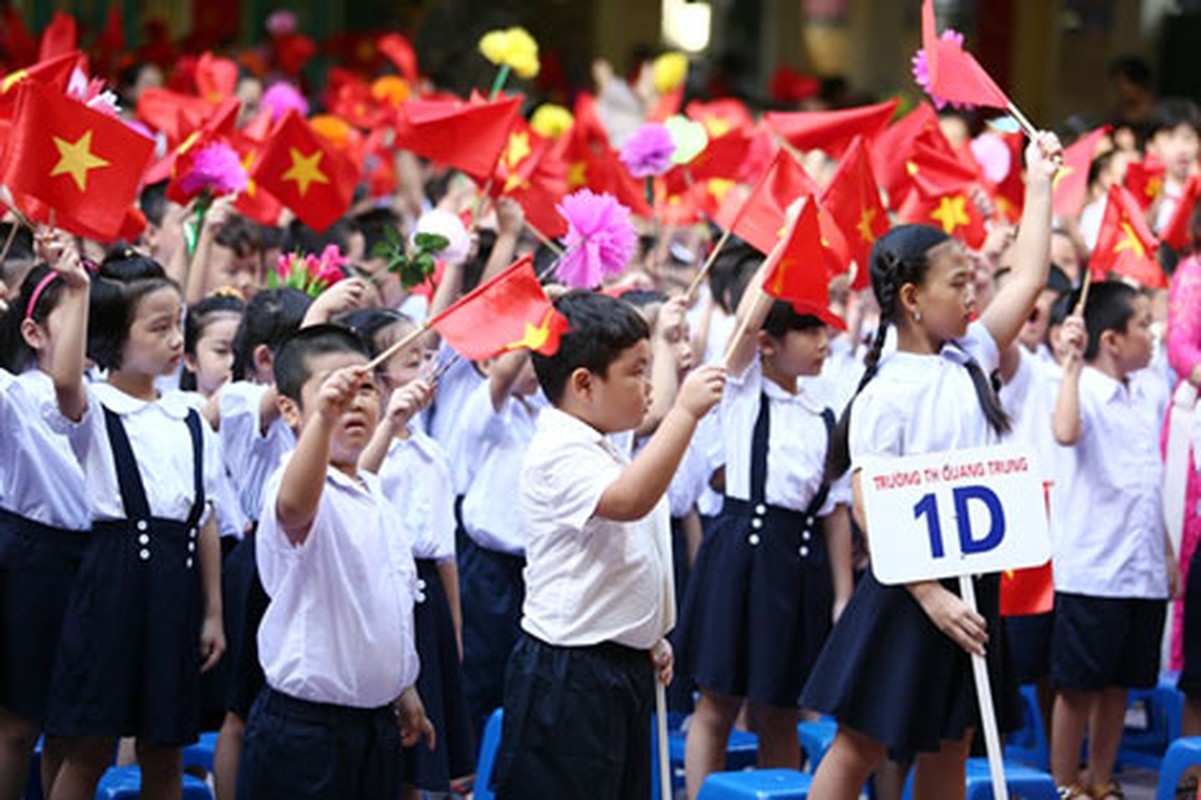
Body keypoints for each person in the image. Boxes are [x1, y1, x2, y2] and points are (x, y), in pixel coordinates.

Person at [800, 131, 1061, 800]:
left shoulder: (968, 352)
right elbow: (868, 507)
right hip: (910, 585)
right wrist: (929, 596)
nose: (972, 292)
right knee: (862, 742)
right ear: (911, 297)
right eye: (957, 282)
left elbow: (1028, 277)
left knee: (953, 741)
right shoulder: (884, 392)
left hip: (971, 578)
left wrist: (1038, 184)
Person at [493, 291, 725, 799]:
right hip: (568, 674)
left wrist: (646, 637)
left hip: (615, 667)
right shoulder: (558, 449)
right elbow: (629, 501)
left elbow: (625, 555)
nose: (648, 388)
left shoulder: (598, 440)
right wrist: (686, 414)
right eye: (637, 372)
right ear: (583, 383)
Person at [44, 247, 226, 800]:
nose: (176, 339)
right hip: (113, 578)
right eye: (159, 327)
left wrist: (213, 610)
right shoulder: (95, 408)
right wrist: (76, 291)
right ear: (113, 341)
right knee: (92, 745)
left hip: (176, 584)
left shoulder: (191, 416)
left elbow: (207, 517)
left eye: (180, 325)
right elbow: (64, 381)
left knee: (164, 749)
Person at [678, 256, 853, 796]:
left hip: (799, 562)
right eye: (807, 329)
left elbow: (835, 510)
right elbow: (747, 324)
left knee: (782, 705)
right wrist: (782, 251)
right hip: (740, 550)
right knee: (718, 701)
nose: (822, 341)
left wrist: (842, 593)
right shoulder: (741, 389)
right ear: (770, 344)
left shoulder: (826, 409)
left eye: (824, 329)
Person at [236, 325, 432, 800]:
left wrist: (403, 688)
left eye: (365, 387)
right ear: (289, 410)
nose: (355, 401)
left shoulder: (371, 491)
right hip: (307, 732)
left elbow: (385, 606)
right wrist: (323, 417)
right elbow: (294, 509)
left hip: (373, 724)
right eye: (334, 390)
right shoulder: (296, 481)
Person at [1049, 282, 1175, 800]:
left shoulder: (1147, 392)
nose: (1153, 334)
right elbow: (1064, 432)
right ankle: (1063, 783)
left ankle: (1101, 779)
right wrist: (1073, 367)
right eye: (1142, 325)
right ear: (1111, 340)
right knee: (1079, 686)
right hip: (1094, 566)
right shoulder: (1080, 390)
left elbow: (1148, 480)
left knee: (1120, 684)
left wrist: (1166, 551)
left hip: (1140, 565)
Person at [352, 308, 476, 798]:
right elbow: (354, 487)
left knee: (419, 756)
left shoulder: (431, 452)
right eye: (410, 362)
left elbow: (445, 553)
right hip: (376, 600)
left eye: (428, 358)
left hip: (426, 608)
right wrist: (389, 425)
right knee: (378, 745)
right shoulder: (358, 445)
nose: (427, 372)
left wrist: (455, 628)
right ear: (373, 373)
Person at [0, 252, 92, 800]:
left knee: (76, 726)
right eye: (73, 314)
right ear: (32, 331)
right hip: (34, 560)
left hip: (98, 558)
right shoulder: (14, 393)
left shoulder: (108, 396)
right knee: (18, 724)